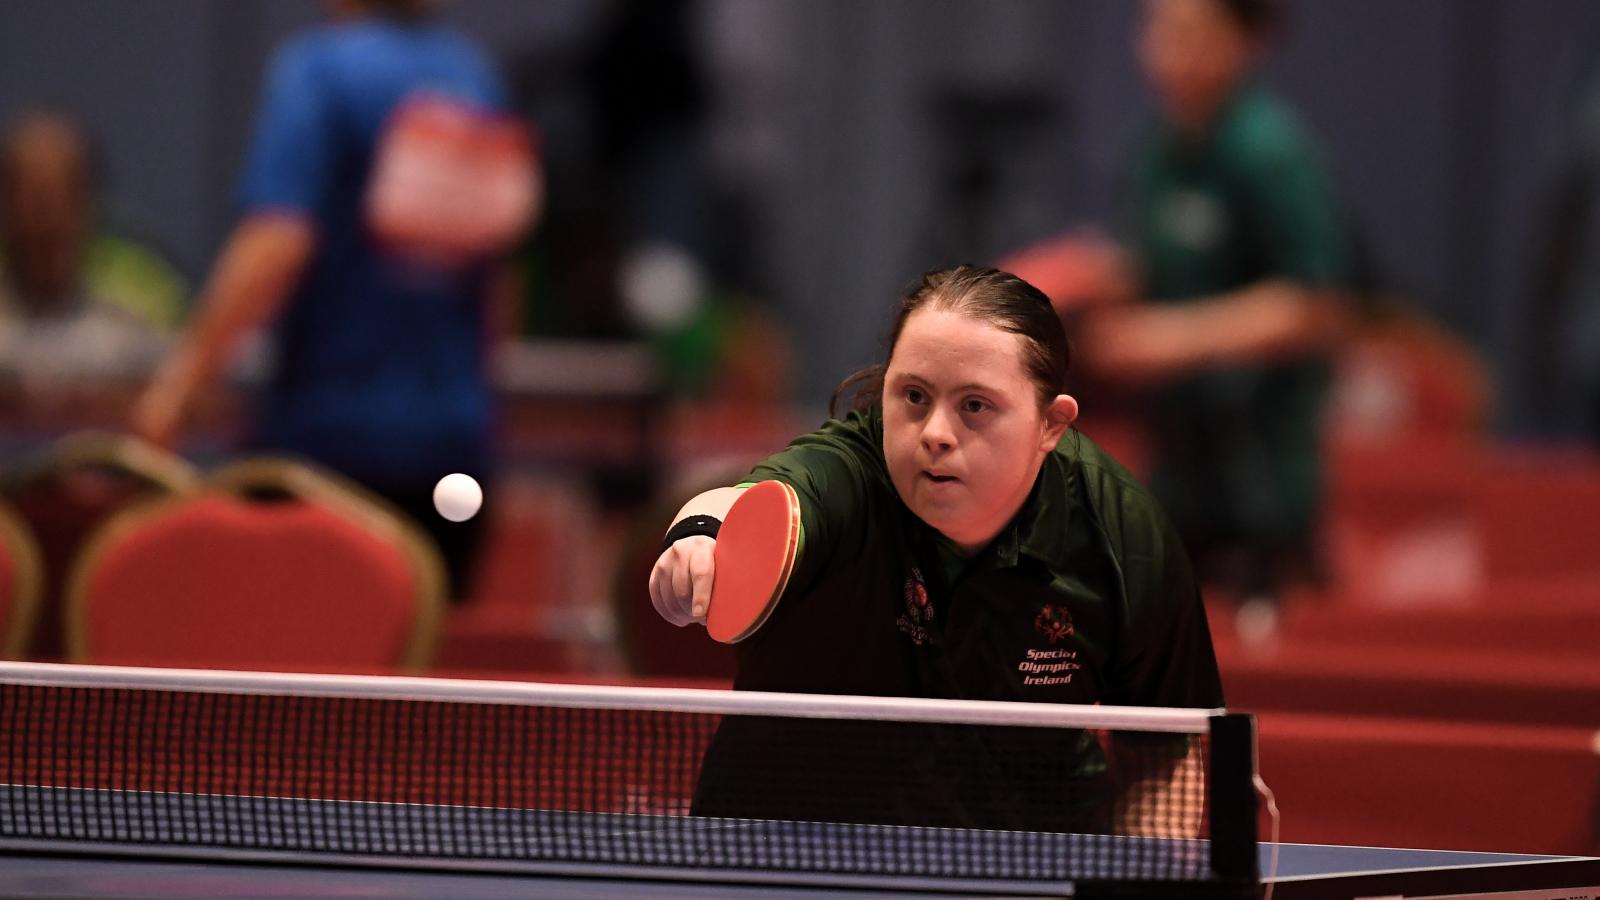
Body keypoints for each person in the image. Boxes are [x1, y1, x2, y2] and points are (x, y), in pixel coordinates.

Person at [650, 265, 1222, 834]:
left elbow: (1164, 755)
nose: (934, 433)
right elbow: (756, 500)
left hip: (1026, 864)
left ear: (1051, 424)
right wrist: (698, 535)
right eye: (915, 396)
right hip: (781, 854)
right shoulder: (848, 472)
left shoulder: (1121, 531)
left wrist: (1146, 881)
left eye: (975, 405)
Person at [132, 0, 539, 600]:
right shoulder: (475, 78)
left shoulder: (319, 70)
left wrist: (180, 385)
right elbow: (501, 277)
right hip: (454, 453)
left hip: (321, 453)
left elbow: (278, 238)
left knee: (290, 674)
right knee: (423, 680)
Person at [1076, 0, 1352, 608]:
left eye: (1192, 33)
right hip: (1178, 469)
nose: (1168, 50)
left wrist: (1172, 339)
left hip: (1259, 475)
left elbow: (1314, 305)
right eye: (1158, 29)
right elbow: (1153, 263)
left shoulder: (1271, 152)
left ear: (1247, 42)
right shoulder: (1156, 148)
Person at [0, 111, 187, 397]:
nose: (44, 216)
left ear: (87, 199)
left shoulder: (142, 289)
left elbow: (193, 374)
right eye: (30, 193)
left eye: (60, 190)